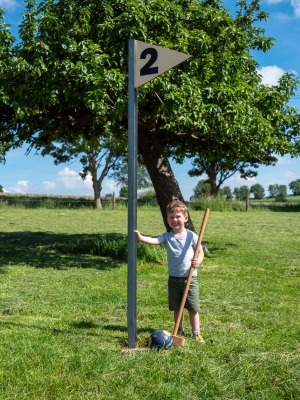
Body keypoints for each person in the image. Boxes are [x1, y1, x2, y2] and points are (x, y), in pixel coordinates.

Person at [134, 199, 205, 342]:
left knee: (192, 307)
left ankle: (196, 332)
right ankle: (178, 330)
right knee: (177, 308)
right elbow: (155, 241)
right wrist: (140, 238)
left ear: (185, 218)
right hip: (173, 278)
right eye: (171, 217)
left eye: (178, 216)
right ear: (167, 220)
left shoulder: (191, 236)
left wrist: (198, 260)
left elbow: (200, 251)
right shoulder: (167, 236)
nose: (175, 220)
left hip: (189, 278)